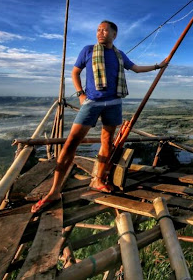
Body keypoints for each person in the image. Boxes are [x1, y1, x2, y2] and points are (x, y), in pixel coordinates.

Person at [32, 20, 167, 213]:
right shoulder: (88, 50)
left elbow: (136, 68)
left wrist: (157, 66)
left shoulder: (119, 55)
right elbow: (75, 72)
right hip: (92, 103)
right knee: (71, 143)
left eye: (105, 30)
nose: (100, 33)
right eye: (98, 30)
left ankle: (98, 179)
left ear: (114, 35)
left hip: (114, 103)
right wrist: (81, 94)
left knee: (107, 141)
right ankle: (54, 191)